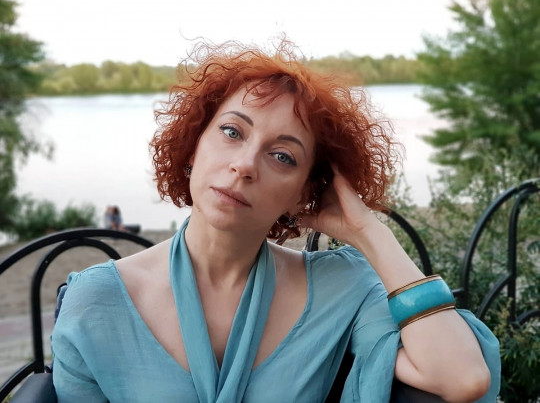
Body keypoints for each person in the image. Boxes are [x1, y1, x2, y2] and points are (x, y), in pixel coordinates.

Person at [51, 39, 500, 402]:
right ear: (194, 144)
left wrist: (369, 232)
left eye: (282, 156)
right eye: (232, 131)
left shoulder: (338, 288)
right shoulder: (97, 301)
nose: (245, 165)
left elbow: (463, 379)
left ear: (304, 192)